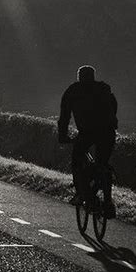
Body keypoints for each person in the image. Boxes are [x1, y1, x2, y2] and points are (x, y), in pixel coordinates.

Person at [58, 65, 117, 218]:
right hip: (107, 131)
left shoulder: (73, 90)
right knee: (103, 164)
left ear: (79, 77)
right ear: (93, 76)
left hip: (87, 132)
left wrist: (62, 136)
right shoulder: (104, 89)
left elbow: (64, 116)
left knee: (77, 162)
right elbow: (114, 107)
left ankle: (84, 196)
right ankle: (108, 202)